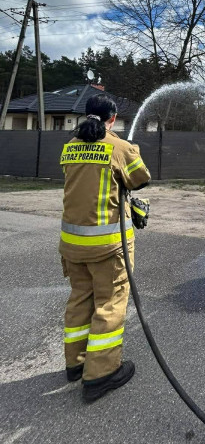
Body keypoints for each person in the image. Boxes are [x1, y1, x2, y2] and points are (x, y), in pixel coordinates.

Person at [59, 93, 151, 403]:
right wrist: (129, 149)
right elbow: (141, 179)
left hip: (72, 244)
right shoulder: (118, 147)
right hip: (107, 247)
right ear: (112, 119)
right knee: (110, 304)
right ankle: (101, 374)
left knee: (80, 299)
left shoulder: (70, 146)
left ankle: (75, 364)